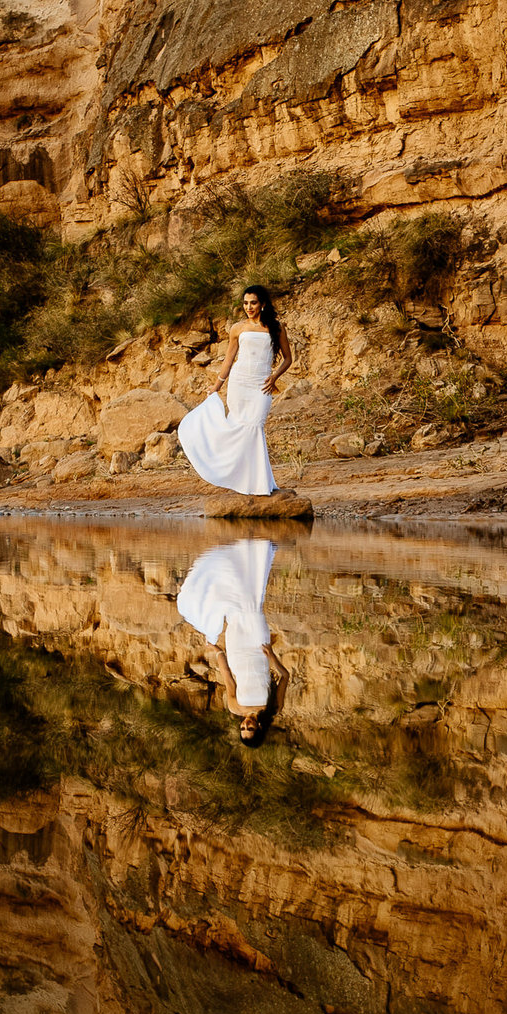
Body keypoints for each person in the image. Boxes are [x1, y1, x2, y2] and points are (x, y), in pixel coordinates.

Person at [177, 286, 292, 497]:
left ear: (263, 304)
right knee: (238, 426)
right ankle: (245, 481)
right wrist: (217, 386)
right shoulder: (238, 328)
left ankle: (259, 482)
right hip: (239, 383)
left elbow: (288, 358)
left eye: (253, 303)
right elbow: (229, 361)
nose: (249, 307)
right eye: (246, 303)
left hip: (262, 385)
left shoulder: (276, 327)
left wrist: (275, 377)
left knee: (255, 426)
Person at [175, 535, 289, 744]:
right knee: (253, 606)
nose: (245, 724)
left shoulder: (235, 707)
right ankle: (259, 551)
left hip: (236, 649)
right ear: (259, 728)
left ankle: (238, 558)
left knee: (235, 611)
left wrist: (217, 650)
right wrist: (272, 656)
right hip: (259, 647)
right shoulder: (274, 708)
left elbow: (227, 675)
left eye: (243, 728)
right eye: (250, 728)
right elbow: (285, 676)